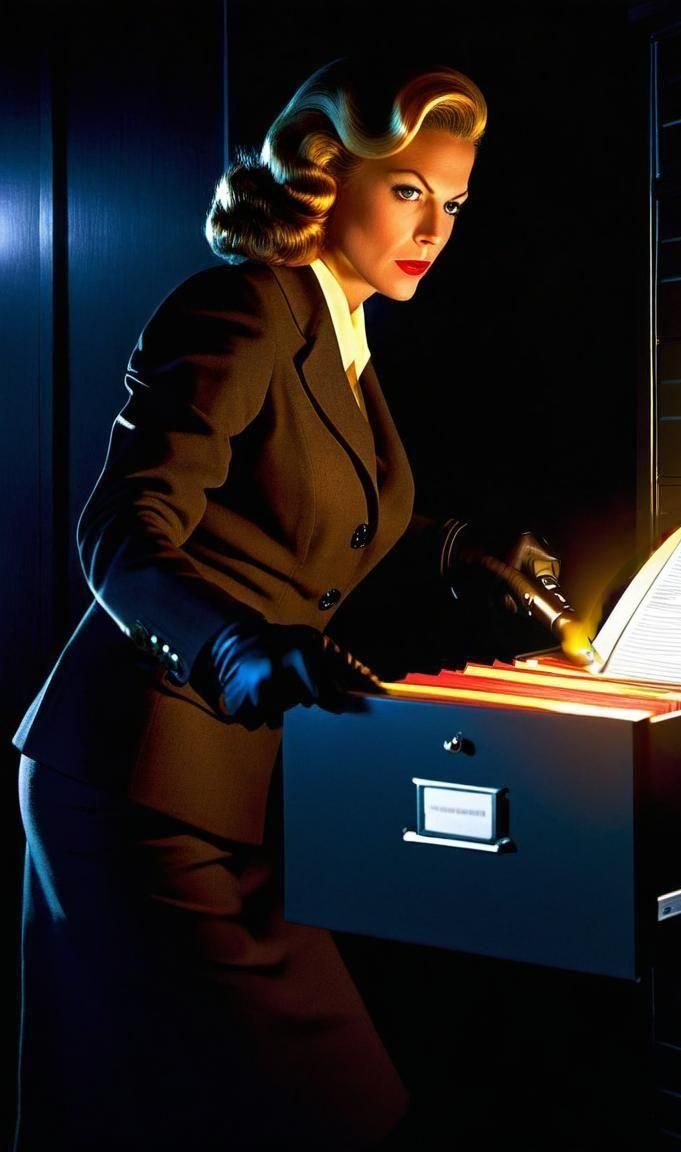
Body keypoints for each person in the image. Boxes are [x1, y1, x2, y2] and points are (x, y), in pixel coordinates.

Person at [12, 54, 565, 1152]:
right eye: (408, 190)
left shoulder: (340, 335)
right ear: (322, 174)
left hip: (228, 793)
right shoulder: (241, 308)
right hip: (138, 788)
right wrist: (237, 652)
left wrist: (456, 548)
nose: (434, 227)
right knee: (309, 1109)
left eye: (451, 201)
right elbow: (119, 534)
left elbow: (307, 514)